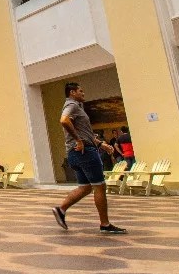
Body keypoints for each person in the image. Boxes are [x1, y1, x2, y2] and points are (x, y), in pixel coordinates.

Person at [52, 83, 126, 234]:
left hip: (78, 152)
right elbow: (64, 120)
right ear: (72, 92)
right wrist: (78, 140)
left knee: (85, 187)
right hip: (84, 152)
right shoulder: (71, 105)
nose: (83, 93)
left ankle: (61, 210)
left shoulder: (77, 107)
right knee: (99, 186)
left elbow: (85, 132)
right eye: (81, 90)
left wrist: (101, 144)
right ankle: (105, 224)